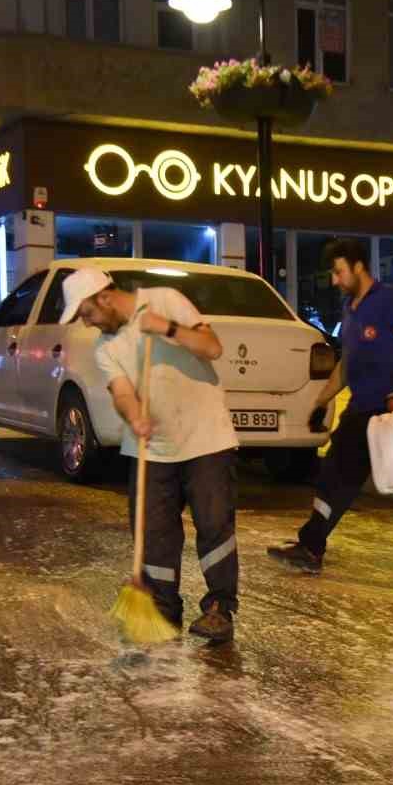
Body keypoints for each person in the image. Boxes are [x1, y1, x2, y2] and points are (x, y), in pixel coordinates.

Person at [60, 267, 240, 643]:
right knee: (154, 533)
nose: (88, 323)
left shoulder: (166, 300)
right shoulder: (105, 347)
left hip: (205, 436)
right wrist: (134, 415)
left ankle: (220, 608)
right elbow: (122, 391)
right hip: (151, 447)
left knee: (213, 525)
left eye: (88, 313)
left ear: (104, 298)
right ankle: (162, 611)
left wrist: (167, 328)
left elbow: (213, 348)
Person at [268, 237, 393, 578]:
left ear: (357, 266)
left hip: (390, 409)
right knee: (336, 474)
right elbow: (346, 365)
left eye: (338, 272)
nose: (335, 280)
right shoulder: (351, 312)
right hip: (360, 411)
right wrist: (319, 401)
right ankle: (313, 544)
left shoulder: (389, 301)